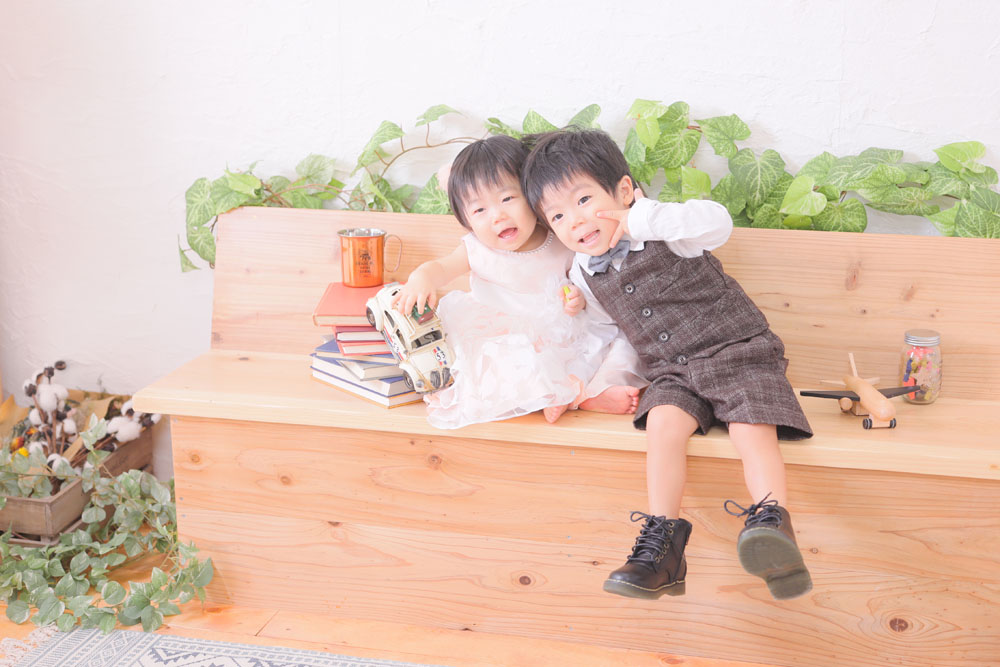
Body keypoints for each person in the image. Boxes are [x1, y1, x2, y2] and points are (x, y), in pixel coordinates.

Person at [521, 128, 813, 601]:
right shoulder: (583, 271)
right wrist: (582, 317)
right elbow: (610, 329)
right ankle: (663, 549)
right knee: (661, 424)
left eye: (584, 200)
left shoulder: (665, 230)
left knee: (749, 425)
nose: (575, 221)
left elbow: (717, 222)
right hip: (673, 373)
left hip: (736, 352)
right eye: (557, 215)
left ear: (623, 190)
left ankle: (772, 523)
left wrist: (645, 218)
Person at [393, 135, 646, 430]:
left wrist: (574, 298)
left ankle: (590, 390)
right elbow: (440, 267)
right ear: (466, 220)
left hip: (563, 332)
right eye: (479, 210)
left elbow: (579, 284)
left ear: (532, 196)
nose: (498, 216)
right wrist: (421, 278)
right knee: (514, 360)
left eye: (507, 199)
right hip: (502, 335)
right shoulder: (477, 249)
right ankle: (575, 395)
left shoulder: (560, 239)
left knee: (619, 343)